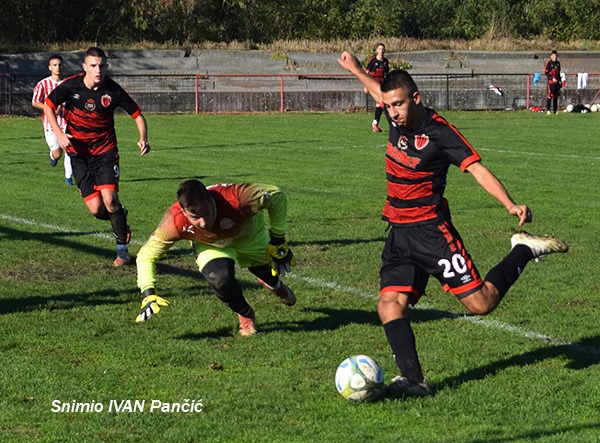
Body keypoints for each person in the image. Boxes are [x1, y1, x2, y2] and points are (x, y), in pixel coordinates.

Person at [337, 51, 569, 398]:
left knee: (481, 304)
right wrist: (355, 68)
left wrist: (509, 204)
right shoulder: (394, 117)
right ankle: (414, 381)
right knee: (388, 305)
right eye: (388, 107)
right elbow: (378, 92)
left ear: (416, 98)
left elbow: (476, 168)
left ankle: (522, 249)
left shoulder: (440, 133)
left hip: (431, 232)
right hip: (399, 233)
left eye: (398, 105)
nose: (393, 113)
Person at [134, 180, 296, 336]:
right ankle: (245, 314)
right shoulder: (175, 221)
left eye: (206, 213)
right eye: (195, 217)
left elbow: (275, 195)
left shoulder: (237, 197)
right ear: (183, 211)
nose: (203, 223)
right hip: (211, 246)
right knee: (219, 280)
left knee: (269, 274)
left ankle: (273, 284)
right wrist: (148, 291)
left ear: (212, 201)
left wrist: (278, 238)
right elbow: (146, 255)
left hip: (250, 237)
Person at [43, 47, 150, 266]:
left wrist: (143, 138)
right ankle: (120, 217)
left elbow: (138, 116)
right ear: (85, 67)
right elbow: (48, 106)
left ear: (106, 66)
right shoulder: (71, 85)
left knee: (110, 200)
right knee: (97, 209)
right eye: (93, 65)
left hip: (105, 152)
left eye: (101, 65)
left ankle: (122, 252)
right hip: (78, 154)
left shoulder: (113, 90)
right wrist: (59, 133)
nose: (98, 70)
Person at [31, 54, 74, 185]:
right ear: (50, 67)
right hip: (50, 123)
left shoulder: (69, 83)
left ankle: (68, 179)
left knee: (70, 149)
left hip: (67, 121)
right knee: (58, 153)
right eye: (54, 65)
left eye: (60, 65)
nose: (58, 67)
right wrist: (48, 108)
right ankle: (53, 156)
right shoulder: (43, 84)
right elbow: (35, 102)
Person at [364, 43, 390, 132]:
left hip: (382, 85)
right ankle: (377, 123)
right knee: (381, 102)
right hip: (374, 84)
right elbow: (366, 73)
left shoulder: (385, 62)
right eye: (379, 49)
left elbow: (386, 74)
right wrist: (366, 85)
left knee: (380, 104)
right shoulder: (372, 61)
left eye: (383, 49)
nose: (381, 51)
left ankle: (375, 124)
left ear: (384, 50)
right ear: (376, 50)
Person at [544, 50, 561, 114]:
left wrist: (560, 81)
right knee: (549, 95)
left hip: (556, 83)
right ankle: (548, 110)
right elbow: (546, 73)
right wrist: (552, 78)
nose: (555, 57)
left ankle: (555, 110)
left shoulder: (558, 63)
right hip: (550, 83)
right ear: (551, 56)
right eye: (553, 56)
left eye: (556, 56)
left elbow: (558, 73)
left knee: (555, 96)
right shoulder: (549, 63)